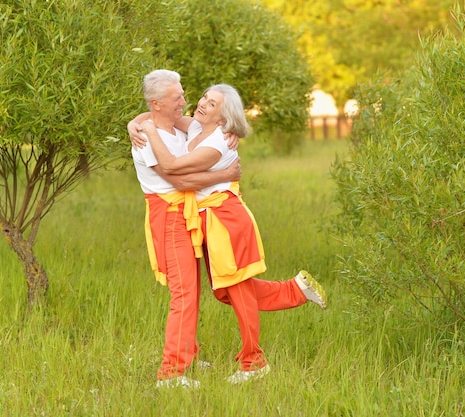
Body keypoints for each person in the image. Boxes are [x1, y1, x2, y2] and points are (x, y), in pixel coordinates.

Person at [132, 83, 327, 385]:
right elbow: (162, 115)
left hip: (224, 218)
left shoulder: (219, 142)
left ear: (223, 119)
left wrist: (151, 132)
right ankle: (296, 290)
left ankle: (254, 362)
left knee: (237, 291)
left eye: (212, 104)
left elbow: (173, 169)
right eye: (205, 99)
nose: (201, 104)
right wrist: (135, 122)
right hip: (208, 220)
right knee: (225, 291)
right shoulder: (197, 125)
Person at [130, 70, 241, 389]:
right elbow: (179, 181)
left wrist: (230, 132)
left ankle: (187, 353)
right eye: (177, 97)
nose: (185, 102)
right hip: (170, 217)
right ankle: (170, 373)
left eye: (182, 94)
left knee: (193, 290)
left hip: (189, 215)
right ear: (157, 103)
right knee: (184, 294)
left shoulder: (173, 127)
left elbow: (208, 129)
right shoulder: (145, 140)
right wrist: (226, 176)